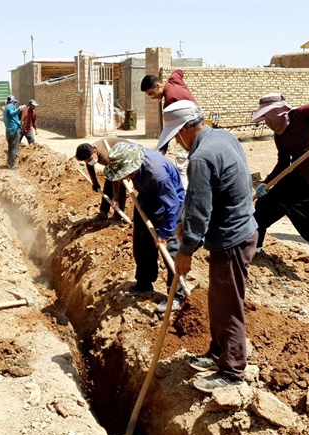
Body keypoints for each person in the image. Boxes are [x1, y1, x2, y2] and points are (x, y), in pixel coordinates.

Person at [157, 100, 258, 393]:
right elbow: (201, 197)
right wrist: (184, 220)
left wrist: (186, 250)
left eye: (176, 135)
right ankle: (217, 352)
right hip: (241, 229)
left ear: (186, 130)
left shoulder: (200, 158)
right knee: (218, 298)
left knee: (228, 305)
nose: (177, 141)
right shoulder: (223, 136)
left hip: (232, 238)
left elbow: (201, 209)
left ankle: (232, 369)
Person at [251, 93, 309, 294]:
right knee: (265, 204)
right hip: (298, 176)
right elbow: (283, 163)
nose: (265, 121)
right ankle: (256, 247)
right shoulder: (279, 136)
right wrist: (265, 183)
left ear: (278, 112)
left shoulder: (302, 115)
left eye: (266, 117)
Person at [103, 141, 185, 313]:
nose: (124, 178)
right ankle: (144, 283)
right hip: (147, 197)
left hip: (170, 205)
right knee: (141, 242)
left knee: (171, 250)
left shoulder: (157, 174)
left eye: (127, 174)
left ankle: (176, 296)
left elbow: (172, 204)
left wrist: (164, 233)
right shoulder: (129, 152)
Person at [141, 69, 197, 188]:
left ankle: (185, 197)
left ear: (157, 86)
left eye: (151, 93)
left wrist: (162, 150)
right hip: (198, 123)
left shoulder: (170, 101)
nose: (152, 97)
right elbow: (179, 71)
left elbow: (170, 130)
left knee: (182, 165)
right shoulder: (173, 80)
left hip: (190, 133)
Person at [75, 138, 128, 221]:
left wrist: (115, 198)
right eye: (86, 161)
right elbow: (89, 165)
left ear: (94, 152)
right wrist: (95, 183)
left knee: (120, 185)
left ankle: (118, 218)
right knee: (108, 185)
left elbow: (115, 177)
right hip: (114, 162)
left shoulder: (106, 156)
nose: (88, 162)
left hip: (126, 156)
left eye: (89, 160)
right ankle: (103, 213)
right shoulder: (90, 152)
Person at [3, 95, 25, 170]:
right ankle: (12, 165)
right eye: (14, 102)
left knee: (10, 148)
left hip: (8, 131)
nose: (15, 104)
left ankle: (9, 163)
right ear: (12, 102)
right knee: (14, 148)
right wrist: (19, 109)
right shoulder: (10, 107)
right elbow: (13, 113)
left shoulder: (5, 108)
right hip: (14, 131)